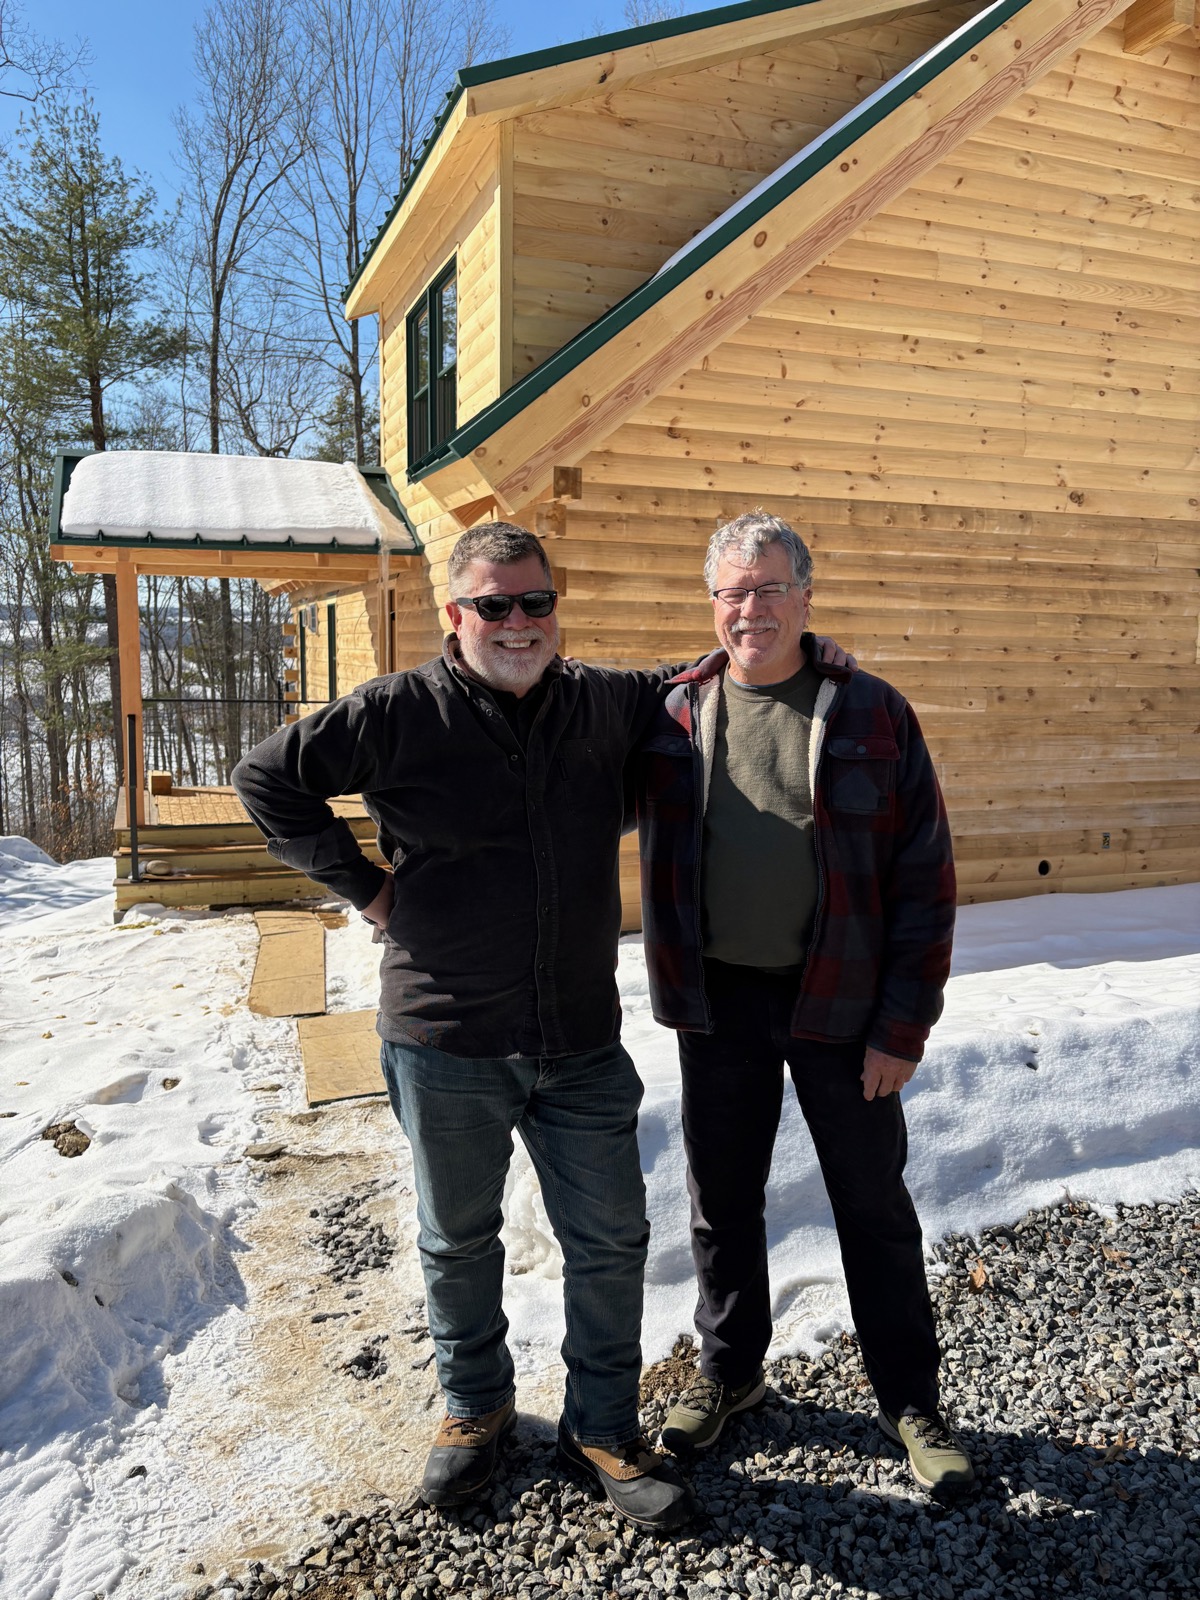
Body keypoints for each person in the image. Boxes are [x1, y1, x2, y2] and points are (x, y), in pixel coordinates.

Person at [232, 520, 852, 1529]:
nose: (518, 623)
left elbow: (715, 666)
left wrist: (813, 654)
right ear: (455, 614)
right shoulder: (396, 712)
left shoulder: (605, 702)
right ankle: (475, 1409)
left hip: (577, 1038)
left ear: (556, 608)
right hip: (443, 1035)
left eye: (536, 602)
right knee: (456, 1239)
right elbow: (267, 778)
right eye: (493, 604)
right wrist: (368, 890)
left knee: (610, 1240)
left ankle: (600, 1426)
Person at [633, 510, 974, 1494]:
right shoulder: (671, 716)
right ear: (714, 603)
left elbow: (926, 879)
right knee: (720, 1201)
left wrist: (901, 1026)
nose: (753, 609)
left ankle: (912, 1401)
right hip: (718, 1002)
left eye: (771, 588)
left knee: (873, 1207)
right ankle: (731, 1374)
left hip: (844, 1006)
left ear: (805, 596)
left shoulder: (872, 713)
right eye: (734, 592)